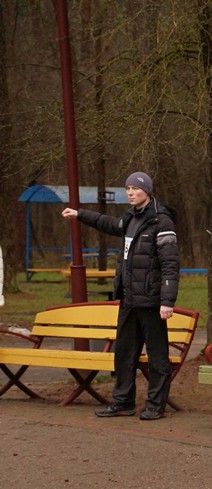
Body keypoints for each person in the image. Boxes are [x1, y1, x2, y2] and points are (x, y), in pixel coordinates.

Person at [61, 172, 180, 421]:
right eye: (127, 188)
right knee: (124, 353)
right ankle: (123, 402)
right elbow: (108, 223)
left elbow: (170, 264)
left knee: (157, 356)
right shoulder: (130, 218)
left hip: (151, 301)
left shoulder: (161, 222)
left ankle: (156, 405)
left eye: (135, 188)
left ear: (147, 191)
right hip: (128, 300)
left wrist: (167, 301)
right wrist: (79, 214)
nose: (130, 193)